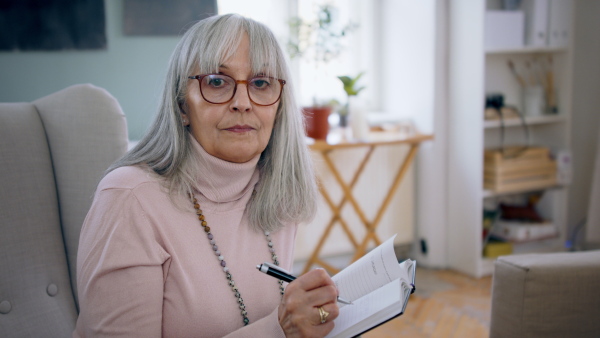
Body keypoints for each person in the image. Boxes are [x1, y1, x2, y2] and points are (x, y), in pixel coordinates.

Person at [74, 14, 340, 337]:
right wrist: (278, 329)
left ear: (279, 105)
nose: (242, 103)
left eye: (260, 83)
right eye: (216, 81)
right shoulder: (128, 201)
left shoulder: (276, 189)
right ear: (182, 106)